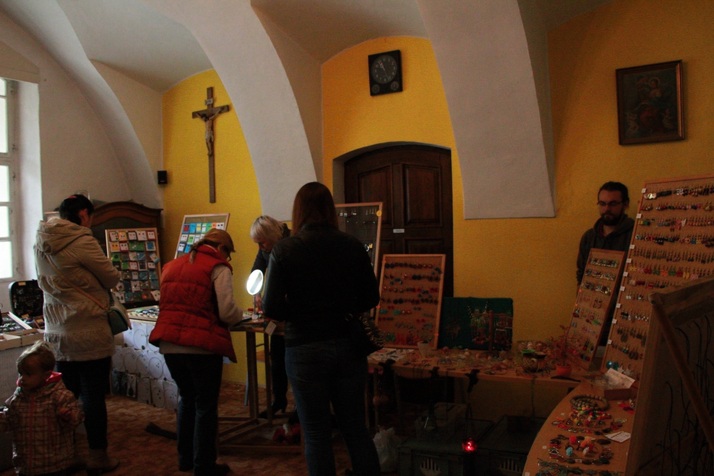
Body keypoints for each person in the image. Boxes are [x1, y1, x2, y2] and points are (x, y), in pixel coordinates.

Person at [262, 182, 381, 476]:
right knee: (355, 428)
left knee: (315, 433)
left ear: (298, 211)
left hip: (303, 345)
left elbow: (271, 306)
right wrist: (342, 307)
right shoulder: (352, 245)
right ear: (330, 210)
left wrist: (301, 311)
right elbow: (371, 297)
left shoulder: (284, 249)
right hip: (347, 342)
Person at [34, 194, 122, 473]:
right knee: (93, 396)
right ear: (84, 214)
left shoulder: (41, 240)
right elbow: (111, 277)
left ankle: (67, 453)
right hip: (88, 329)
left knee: (65, 396)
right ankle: (98, 456)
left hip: (57, 331)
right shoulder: (82, 240)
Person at [149, 228, 243, 476]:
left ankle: (185, 459)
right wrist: (240, 315)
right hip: (201, 346)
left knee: (187, 399)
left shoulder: (171, 265)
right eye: (228, 254)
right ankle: (204, 466)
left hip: (170, 344)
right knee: (205, 405)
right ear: (221, 249)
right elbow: (226, 311)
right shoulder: (218, 268)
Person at [1, 341, 84, 476]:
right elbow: (9, 422)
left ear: (46, 375)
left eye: (28, 374)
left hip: (56, 465)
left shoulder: (60, 396)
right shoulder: (17, 399)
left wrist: (68, 416)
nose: (22, 379)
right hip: (26, 465)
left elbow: (76, 420)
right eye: (20, 373)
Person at [576, 181, 634, 344]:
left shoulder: (635, 235)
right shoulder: (589, 237)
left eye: (613, 204)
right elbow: (581, 275)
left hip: (624, 317)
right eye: (602, 204)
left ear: (625, 204)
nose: (607, 209)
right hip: (593, 316)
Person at [249, 215, 290, 418]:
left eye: (262, 242)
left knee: (292, 361)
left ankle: (298, 408)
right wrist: (256, 292)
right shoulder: (265, 249)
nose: (260, 247)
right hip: (276, 313)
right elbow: (256, 270)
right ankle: (279, 400)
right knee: (277, 360)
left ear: (272, 236)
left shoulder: (291, 245)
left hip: (293, 313)